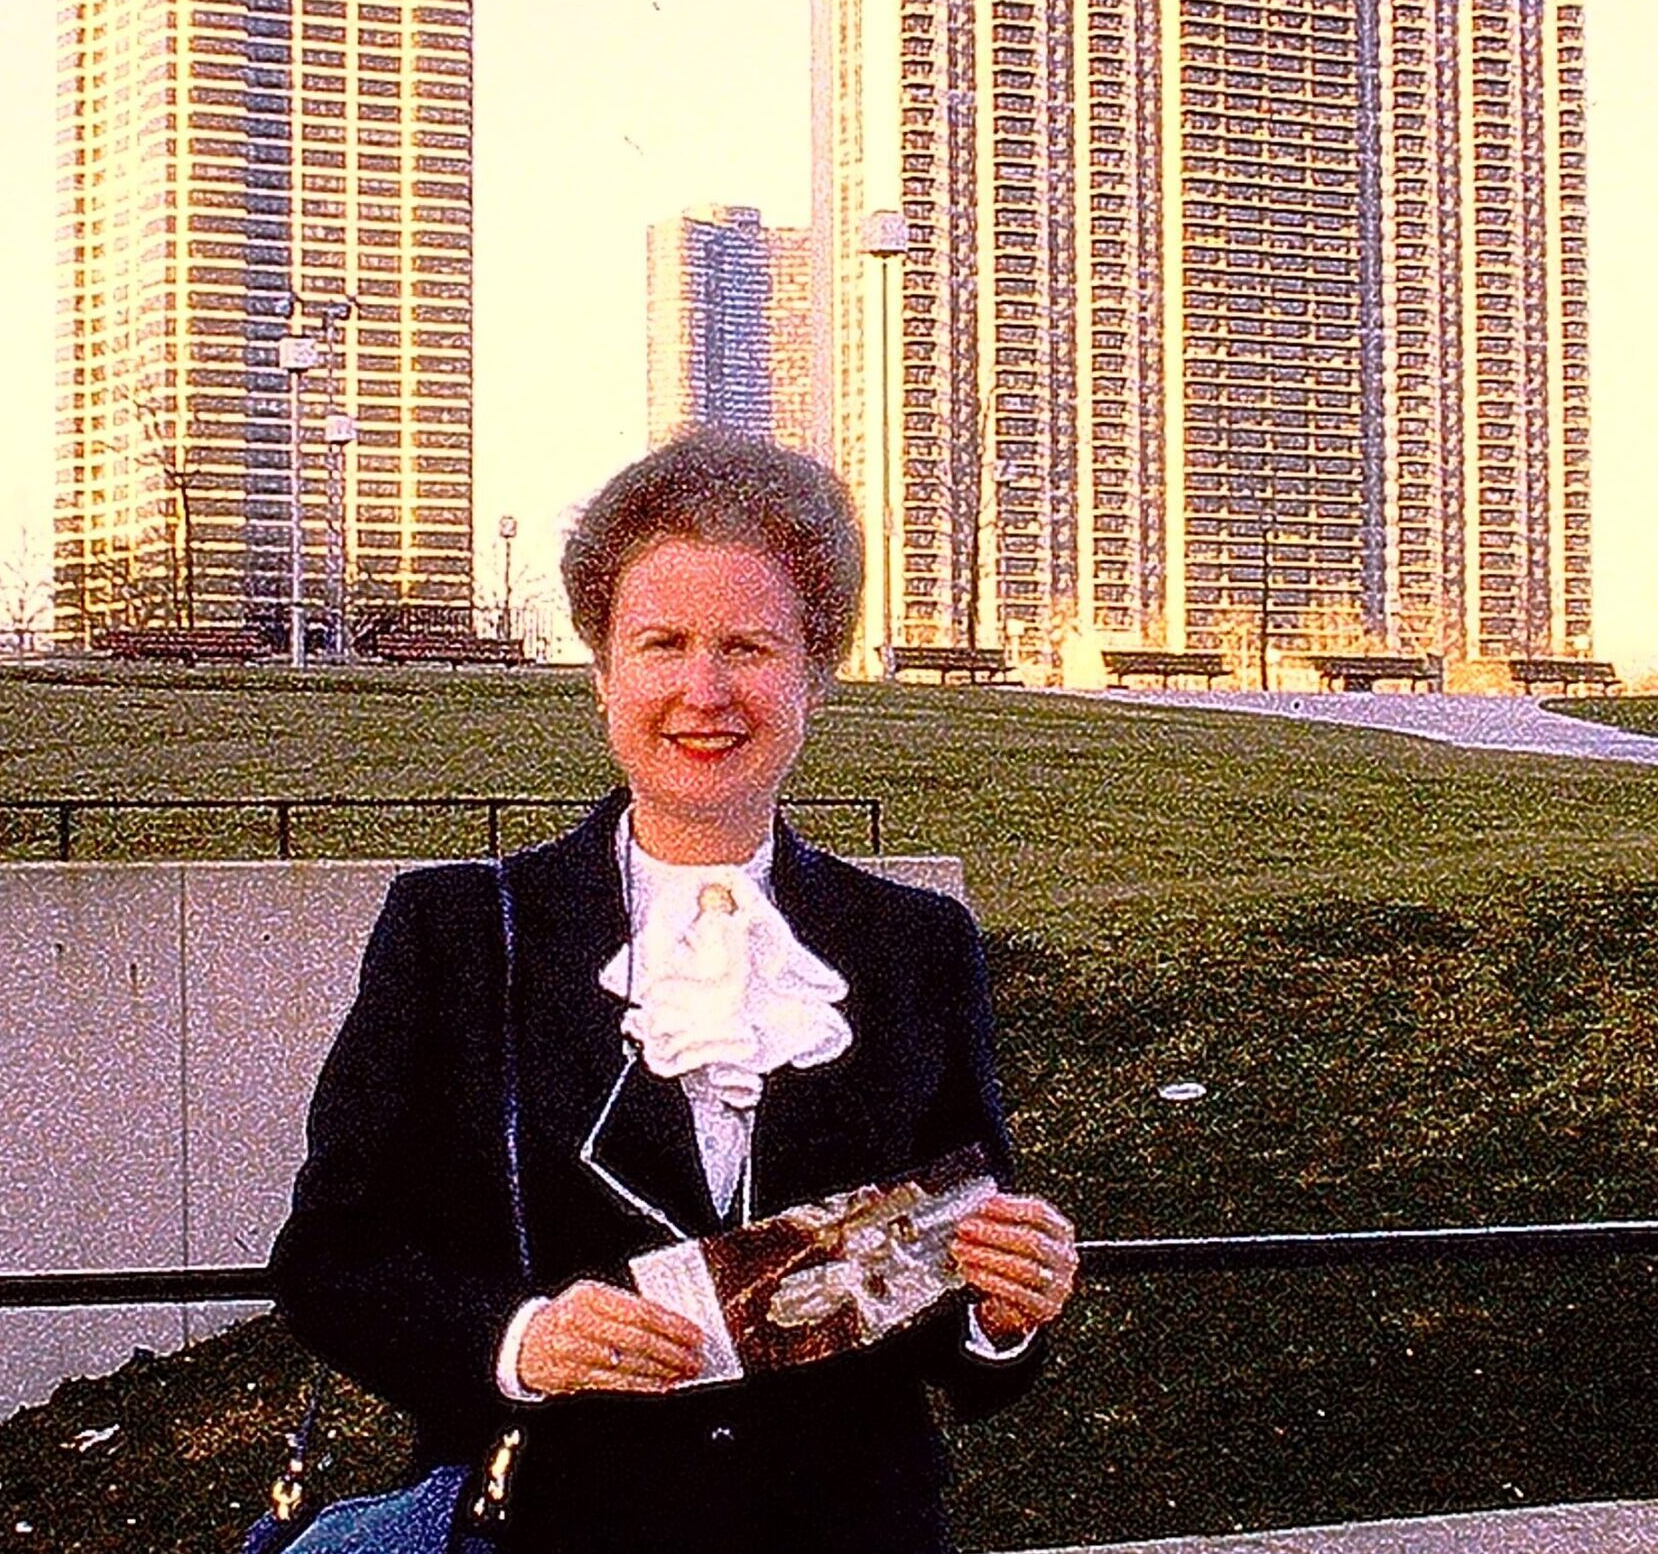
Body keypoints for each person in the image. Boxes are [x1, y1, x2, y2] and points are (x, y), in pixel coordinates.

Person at [267, 430, 1079, 1553]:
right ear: (602, 675)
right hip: (551, 1531)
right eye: (660, 644)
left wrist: (1002, 1309)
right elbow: (328, 1261)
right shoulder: (455, 932)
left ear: (812, 678)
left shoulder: (915, 946)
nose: (704, 691)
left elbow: (954, 1308)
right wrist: (518, 1340)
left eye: (748, 645)